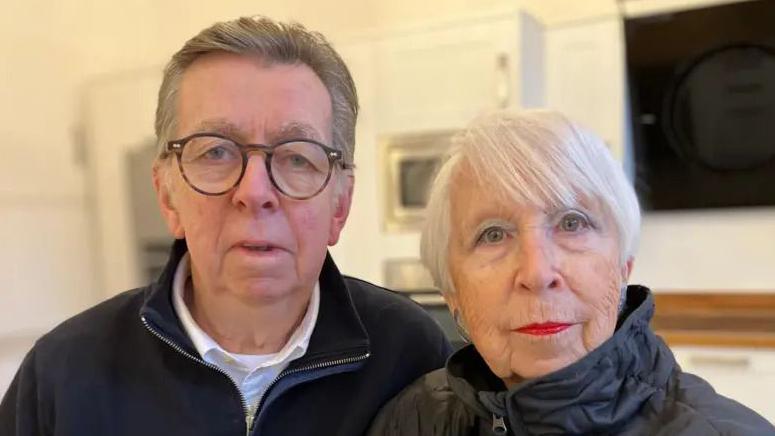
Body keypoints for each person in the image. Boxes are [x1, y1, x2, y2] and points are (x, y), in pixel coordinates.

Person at [0, 16, 451, 436]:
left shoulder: (410, 356)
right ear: (166, 194)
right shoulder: (62, 376)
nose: (254, 191)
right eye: (215, 151)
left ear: (340, 204)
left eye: (296, 156)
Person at [368, 109, 775, 435]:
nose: (537, 272)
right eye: (493, 234)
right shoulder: (412, 421)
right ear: (452, 293)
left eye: (572, 223)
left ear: (623, 267)